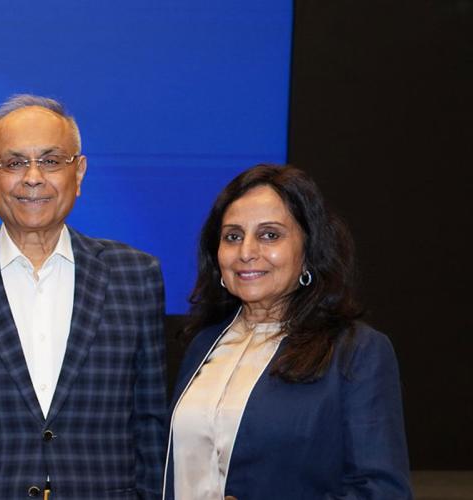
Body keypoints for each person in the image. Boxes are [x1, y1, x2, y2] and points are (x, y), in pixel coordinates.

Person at [0, 95, 168, 499]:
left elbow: (151, 429)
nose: (33, 177)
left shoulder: (136, 278)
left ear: (78, 172)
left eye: (51, 160)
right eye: (13, 163)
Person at [165, 164, 411, 499]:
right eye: (233, 236)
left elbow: (383, 492)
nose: (247, 252)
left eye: (270, 235)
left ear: (308, 251)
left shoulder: (356, 351)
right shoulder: (203, 344)